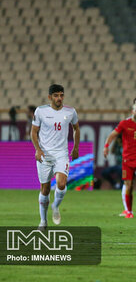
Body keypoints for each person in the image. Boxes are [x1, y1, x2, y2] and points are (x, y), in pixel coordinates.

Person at [31, 84, 80, 230]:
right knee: (45, 189)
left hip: (61, 154)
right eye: (56, 95)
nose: (59, 98)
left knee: (61, 184)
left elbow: (76, 128)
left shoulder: (70, 111)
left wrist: (76, 147)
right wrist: (38, 150)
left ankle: (56, 206)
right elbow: (33, 132)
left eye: (61, 95)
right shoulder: (41, 111)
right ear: (50, 97)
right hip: (45, 155)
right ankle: (43, 221)